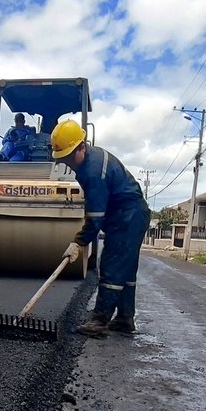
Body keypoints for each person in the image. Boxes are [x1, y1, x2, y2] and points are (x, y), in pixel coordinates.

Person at [51, 119, 150, 337]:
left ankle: (99, 320)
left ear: (82, 147)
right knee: (126, 270)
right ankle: (124, 318)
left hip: (129, 215)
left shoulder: (93, 170)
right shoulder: (89, 160)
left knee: (112, 265)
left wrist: (78, 242)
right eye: (63, 158)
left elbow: (95, 217)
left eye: (69, 156)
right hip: (128, 214)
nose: (67, 162)